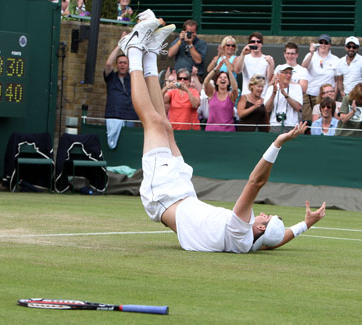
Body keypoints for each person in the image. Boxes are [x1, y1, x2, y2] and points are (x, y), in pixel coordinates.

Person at [118, 13, 326, 253]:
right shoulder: (252, 243)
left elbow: (256, 181)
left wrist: (278, 143)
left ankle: (133, 49)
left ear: (259, 229)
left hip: (163, 197)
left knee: (152, 122)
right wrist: (305, 224)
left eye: (266, 218)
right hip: (183, 192)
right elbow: (276, 239)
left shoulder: (240, 230)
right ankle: (151, 53)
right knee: (165, 126)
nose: (263, 214)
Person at [103, 34, 139, 149]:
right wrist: (120, 44)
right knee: (112, 145)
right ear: (117, 65)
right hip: (113, 115)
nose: (122, 65)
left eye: (125, 63)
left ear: (128, 65)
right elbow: (108, 63)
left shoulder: (133, 78)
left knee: (128, 144)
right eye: (120, 62)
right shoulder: (111, 77)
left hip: (129, 116)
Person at [301, 34, 339, 122]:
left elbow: (337, 81)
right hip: (310, 94)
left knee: (325, 121)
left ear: (330, 45)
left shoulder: (336, 60)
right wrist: (311, 53)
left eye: (326, 43)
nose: (323, 45)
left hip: (326, 96)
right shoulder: (311, 55)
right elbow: (303, 66)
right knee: (307, 121)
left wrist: (334, 97)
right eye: (321, 42)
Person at [234, 31, 275, 97]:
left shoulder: (268, 59)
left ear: (262, 44)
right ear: (249, 44)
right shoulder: (244, 57)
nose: (256, 43)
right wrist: (242, 54)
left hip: (263, 97)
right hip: (247, 97)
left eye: (258, 42)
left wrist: (271, 65)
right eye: (253, 42)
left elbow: (269, 79)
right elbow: (237, 70)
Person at [265, 65, 303, 133]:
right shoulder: (271, 88)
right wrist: (273, 94)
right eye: (285, 73)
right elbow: (267, 109)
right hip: (275, 125)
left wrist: (285, 95)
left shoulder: (297, 88)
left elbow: (298, 107)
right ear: (278, 74)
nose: (288, 75)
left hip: (292, 125)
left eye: (290, 73)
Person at [202, 58, 238, 132]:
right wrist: (216, 69)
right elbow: (206, 82)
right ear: (216, 82)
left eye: (225, 78)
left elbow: (235, 88)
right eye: (220, 78)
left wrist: (229, 71)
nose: (223, 79)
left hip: (228, 132)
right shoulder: (212, 93)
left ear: (228, 82)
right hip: (211, 131)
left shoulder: (231, 96)